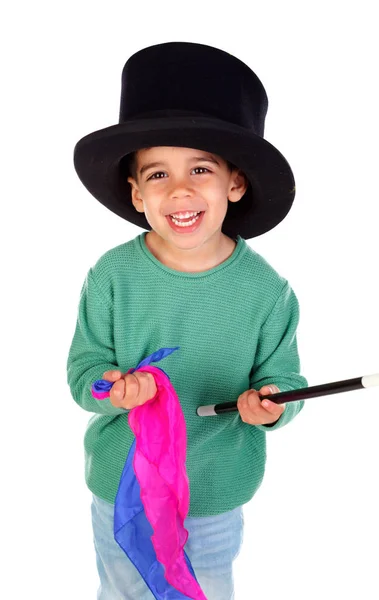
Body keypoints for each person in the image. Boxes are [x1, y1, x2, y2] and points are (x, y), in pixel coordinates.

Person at [67, 41, 308, 600]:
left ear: (235, 183)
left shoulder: (266, 293)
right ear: (135, 193)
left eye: (201, 168)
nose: (179, 190)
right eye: (157, 174)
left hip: (212, 495)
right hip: (122, 486)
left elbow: (288, 382)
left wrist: (272, 402)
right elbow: (85, 373)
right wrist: (115, 389)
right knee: (124, 589)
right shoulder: (112, 276)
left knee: (206, 590)